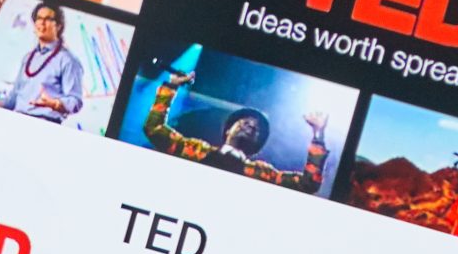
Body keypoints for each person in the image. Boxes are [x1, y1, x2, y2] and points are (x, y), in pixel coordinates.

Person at [141, 68, 328, 191]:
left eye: (256, 129)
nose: (250, 126)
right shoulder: (195, 151)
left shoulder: (262, 174)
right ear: (228, 130)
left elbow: (308, 184)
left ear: (257, 144)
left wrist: (318, 135)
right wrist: (171, 86)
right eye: (244, 122)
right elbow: (154, 129)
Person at [0, 2, 84, 123]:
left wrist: (54, 104)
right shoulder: (28, 58)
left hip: (45, 124)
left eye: (48, 19)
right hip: (17, 121)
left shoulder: (68, 60)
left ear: (59, 26)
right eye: (38, 18)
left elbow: (75, 102)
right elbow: (12, 99)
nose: (41, 23)